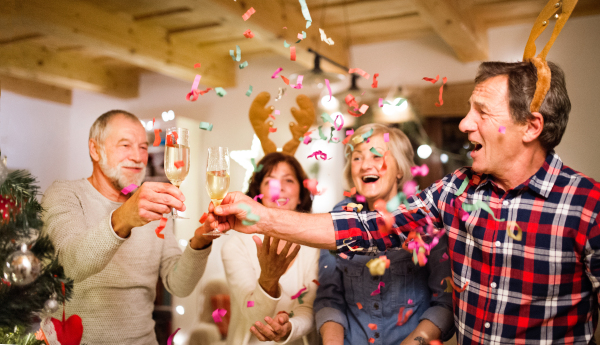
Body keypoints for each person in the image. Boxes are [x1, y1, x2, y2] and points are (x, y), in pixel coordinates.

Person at [210, 61, 600, 344]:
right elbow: (366, 229)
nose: (464, 124)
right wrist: (260, 216)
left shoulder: (588, 207)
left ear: (531, 126)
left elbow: (441, 300)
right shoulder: (456, 191)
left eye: (481, 112)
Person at [41, 110, 220, 345]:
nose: (137, 157)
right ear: (95, 150)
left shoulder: (151, 205)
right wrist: (123, 219)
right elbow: (69, 266)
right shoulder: (65, 194)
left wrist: (200, 242)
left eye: (144, 147)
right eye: (125, 145)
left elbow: (179, 285)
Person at [315, 124, 454, 345]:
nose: (365, 166)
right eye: (357, 158)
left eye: (377, 155)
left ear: (399, 169)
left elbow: (445, 303)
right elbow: (329, 299)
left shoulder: (426, 219)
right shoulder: (337, 220)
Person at [221, 152, 319, 345]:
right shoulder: (236, 245)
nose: (279, 187)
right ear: (258, 195)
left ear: (300, 195)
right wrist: (268, 278)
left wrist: (289, 327)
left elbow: (309, 306)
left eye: (288, 180)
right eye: (270, 181)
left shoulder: (315, 246)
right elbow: (253, 317)